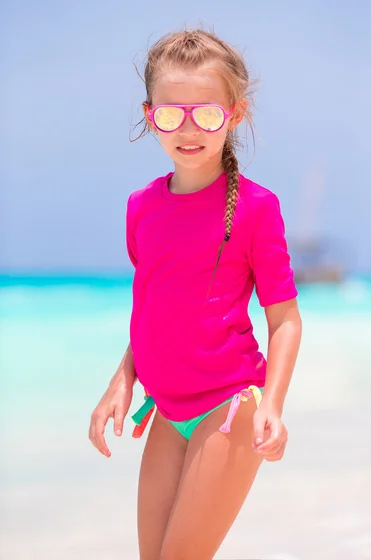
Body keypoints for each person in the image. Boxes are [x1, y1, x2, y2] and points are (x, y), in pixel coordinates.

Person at [89, 28, 303, 560]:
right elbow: (156, 311)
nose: (188, 128)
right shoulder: (141, 207)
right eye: (170, 113)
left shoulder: (256, 208)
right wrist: (123, 379)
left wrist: (273, 404)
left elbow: (285, 320)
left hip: (230, 406)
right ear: (149, 114)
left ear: (235, 113)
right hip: (167, 410)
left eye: (206, 113)